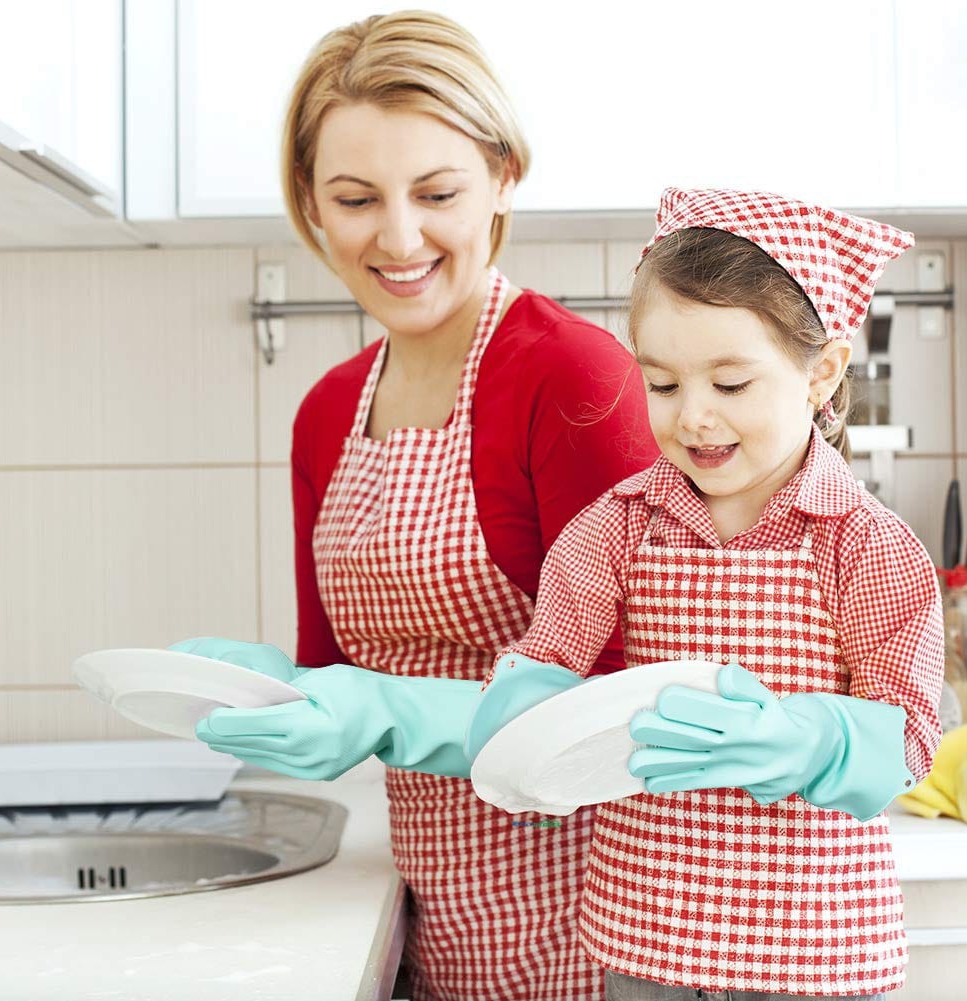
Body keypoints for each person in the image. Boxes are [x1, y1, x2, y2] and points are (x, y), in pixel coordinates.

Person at [173, 11, 657, 1001]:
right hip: (436, 927)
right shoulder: (324, 413)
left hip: (598, 940)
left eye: (436, 192)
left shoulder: (572, 378)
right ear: (308, 200)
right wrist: (271, 688)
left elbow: (632, 710)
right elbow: (334, 675)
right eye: (354, 197)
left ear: (502, 176)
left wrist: (383, 711)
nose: (397, 238)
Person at [467, 187, 945, 999]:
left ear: (820, 371)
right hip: (644, 934)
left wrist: (811, 739)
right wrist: (522, 712)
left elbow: (909, 736)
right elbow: (547, 657)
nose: (693, 417)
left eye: (729, 383)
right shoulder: (613, 530)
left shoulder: (868, 545)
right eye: (661, 384)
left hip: (813, 945)